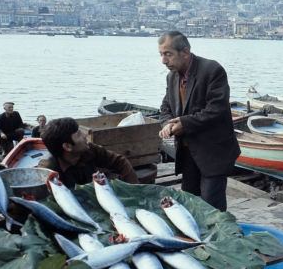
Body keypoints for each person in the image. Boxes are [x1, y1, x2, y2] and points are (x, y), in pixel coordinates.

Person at [158, 31, 240, 212]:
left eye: (168, 54)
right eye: (161, 55)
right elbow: (165, 108)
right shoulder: (172, 77)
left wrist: (184, 124)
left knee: (212, 207)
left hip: (213, 153)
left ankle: (218, 240)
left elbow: (216, 109)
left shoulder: (212, 70)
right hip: (188, 155)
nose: (163, 61)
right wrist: (167, 125)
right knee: (190, 204)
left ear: (185, 52)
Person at [39, 117, 138, 187]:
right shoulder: (48, 171)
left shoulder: (89, 150)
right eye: (78, 134)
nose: (85, 135)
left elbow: (120, 161)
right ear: (67, 146)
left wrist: (134, 189)